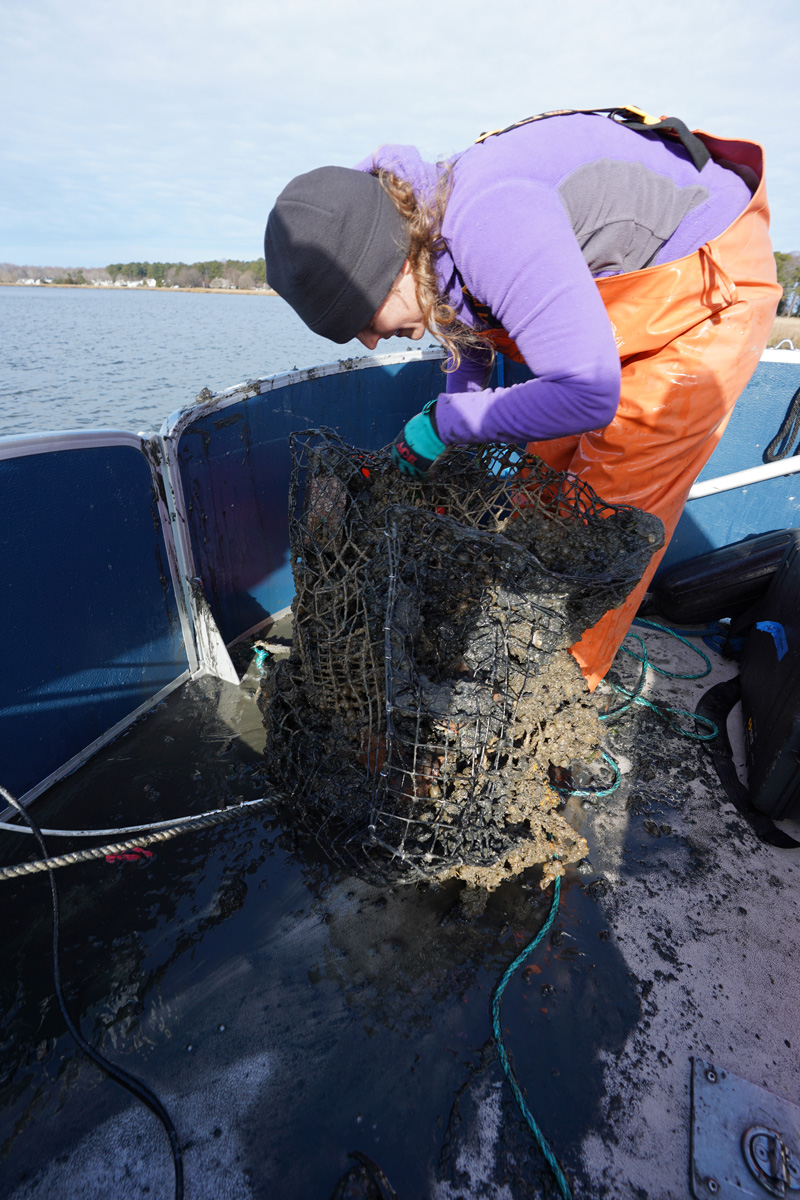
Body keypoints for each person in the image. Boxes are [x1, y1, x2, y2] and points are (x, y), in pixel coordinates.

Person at [264, 107, 781, 689]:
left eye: (362, 318)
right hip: (612, 301)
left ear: (393, 267)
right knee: (541, 478)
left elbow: (587, 396)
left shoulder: (489, 217)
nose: (369, 340)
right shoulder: (415, 223)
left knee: (606, 519)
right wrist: (451, 414)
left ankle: (546, 707)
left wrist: (452, 422)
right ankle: (510, 655)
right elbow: (468, 324)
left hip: (705, 280)